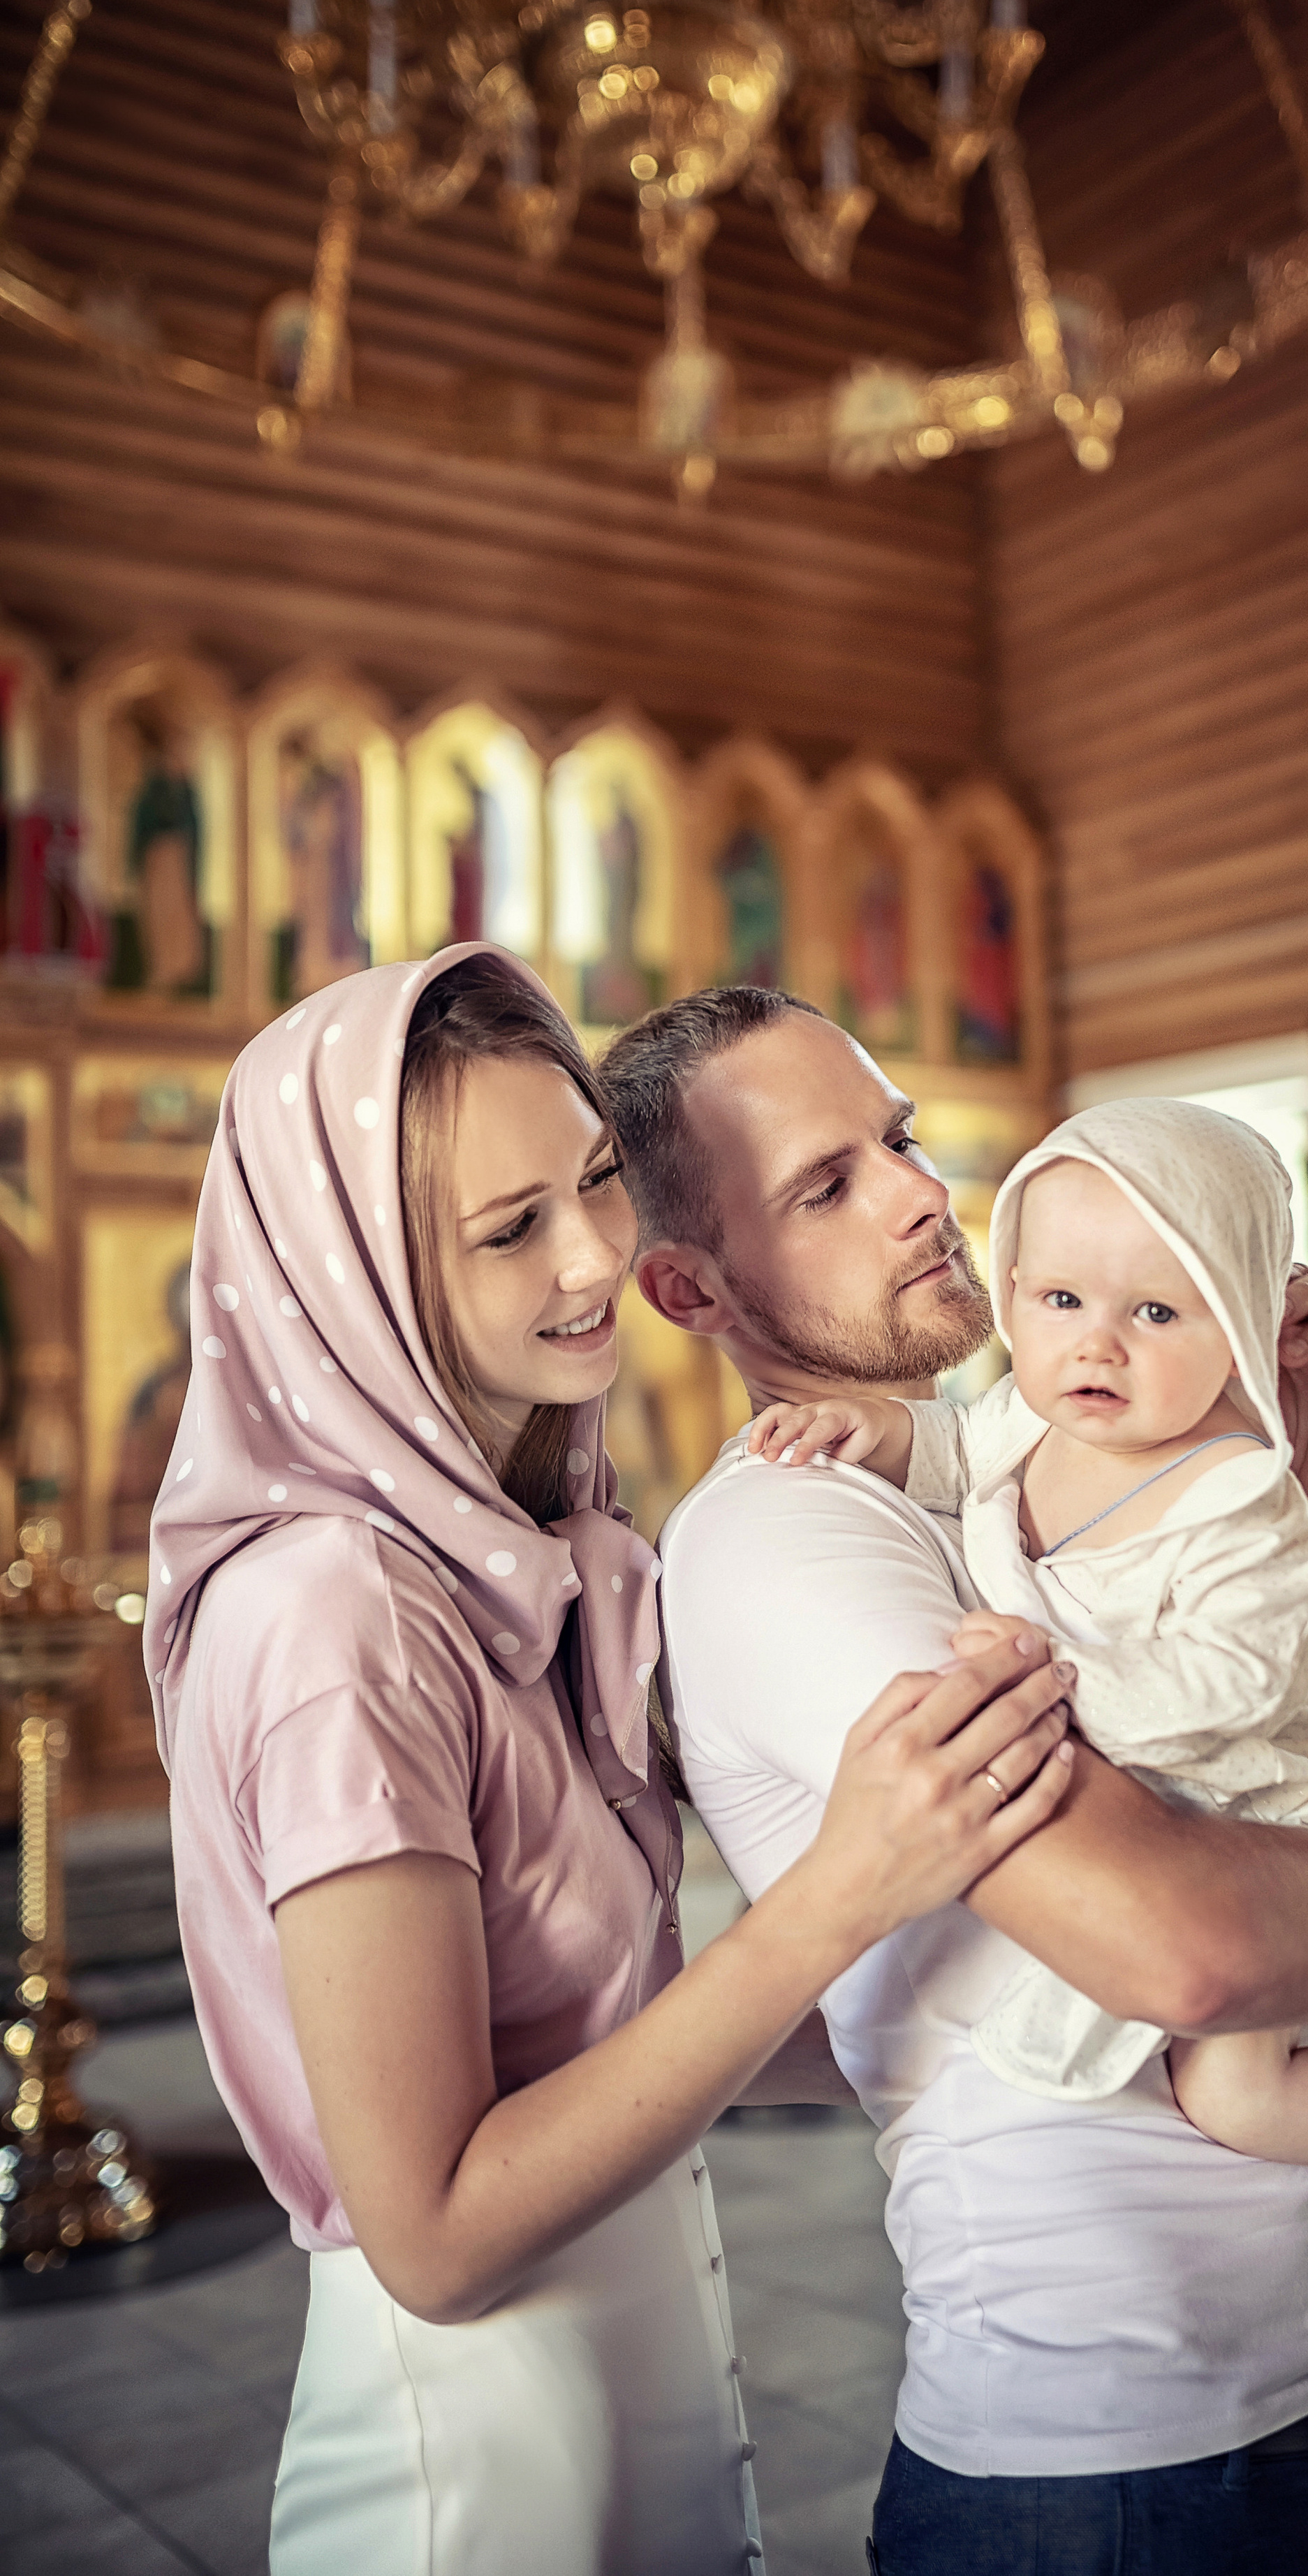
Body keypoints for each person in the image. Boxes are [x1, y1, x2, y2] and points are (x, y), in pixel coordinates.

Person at [146, 944, 1077, 2576]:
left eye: (593, 1181)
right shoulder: (335, 1618)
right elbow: (435, 2234)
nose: (595, 1256)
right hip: (473, 2484)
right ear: (355, 1274)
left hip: (634, 2412)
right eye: (508, 1230)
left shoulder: (512, 1553)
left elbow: (599, 2037)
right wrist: (839, 1894)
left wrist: (1035, 2046)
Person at [598, 987, 1308, 2576]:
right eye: (827, 1185)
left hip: (1306, 2412)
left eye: (898, 1138)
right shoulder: (788, 1532)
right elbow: (1192, 1949)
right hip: (1105, 2478)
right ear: (688, 1286)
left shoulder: (1045, 1458)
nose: (918, 1194)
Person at [749, 1098, 1308, 2297]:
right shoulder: (1026, 1421)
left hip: (1267, 1802)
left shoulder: (1238, 1497)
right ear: (1016, 1289)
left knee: (1239, 2086)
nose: (1096, 1347)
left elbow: (1239, 1683)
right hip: (1189, 1814)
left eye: (1156, 1312)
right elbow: (951, 1453)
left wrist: (1058, 1674)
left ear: (1243, 1327)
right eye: (1061, 1300)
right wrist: (867, 1428)